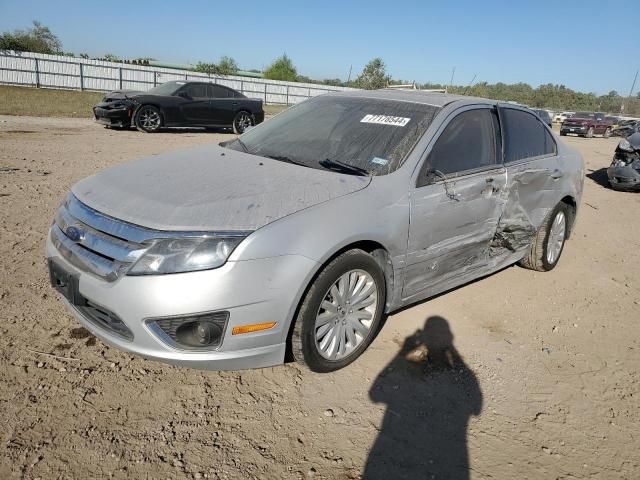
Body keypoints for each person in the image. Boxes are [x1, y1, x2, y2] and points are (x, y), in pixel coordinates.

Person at [364, 316, 482, 479]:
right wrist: (452, 351)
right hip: (451, 457)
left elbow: (375, 394)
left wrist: (403, 351)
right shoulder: (467, 380)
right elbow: (476, 407)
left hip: (395, 449)